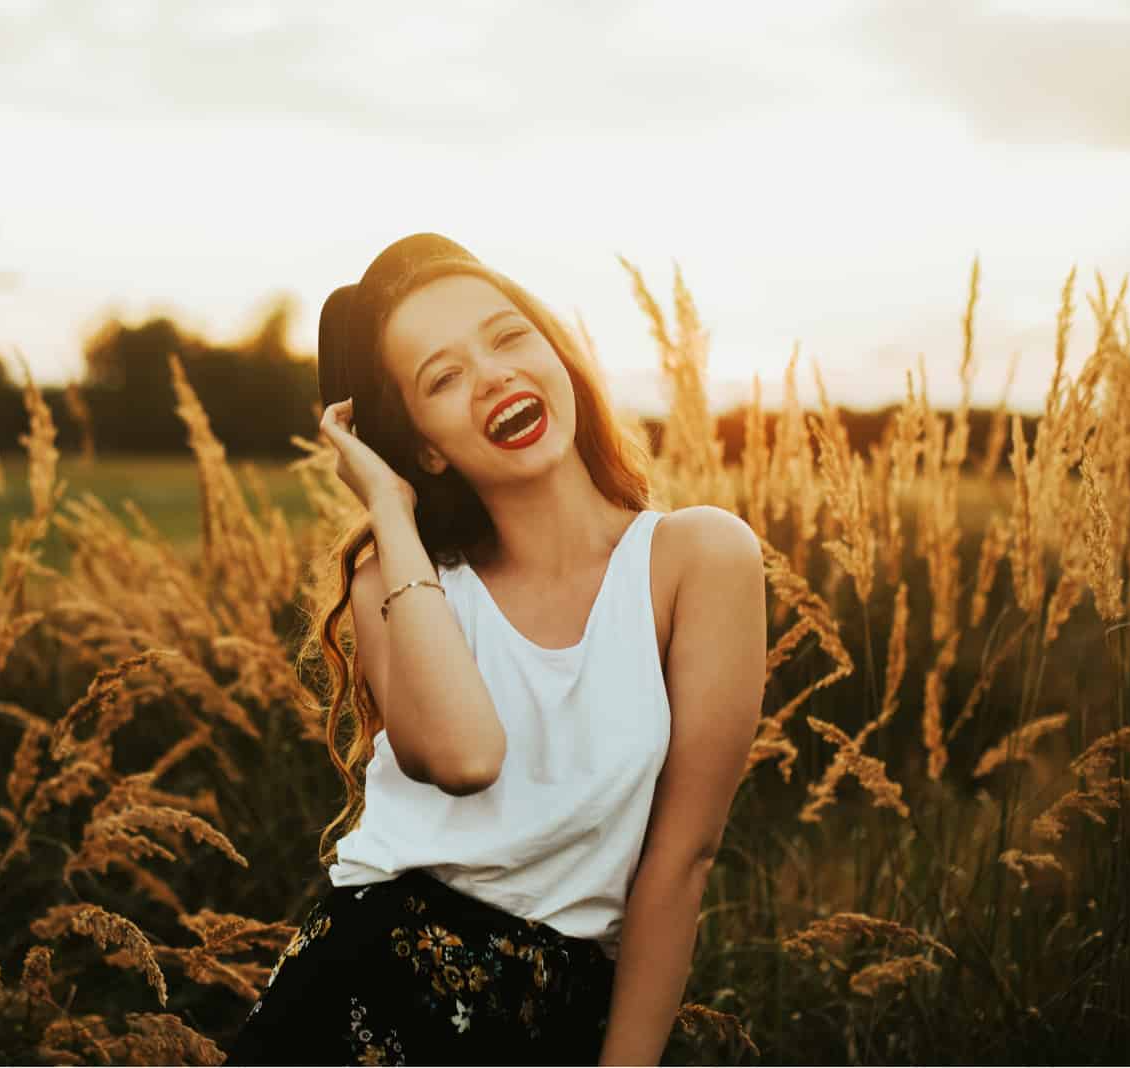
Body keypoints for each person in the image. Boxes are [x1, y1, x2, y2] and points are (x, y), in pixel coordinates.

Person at [224, 233, 765, 1066]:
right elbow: (467, 755)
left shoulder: (700, 560)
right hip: (357, 995)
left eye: (509, 337)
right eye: (443, 377)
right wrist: (391, 513)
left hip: (551, 1017)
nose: (494, 375)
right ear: (425, 444)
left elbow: (683, 860)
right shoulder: (397, 585)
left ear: (558, 353)